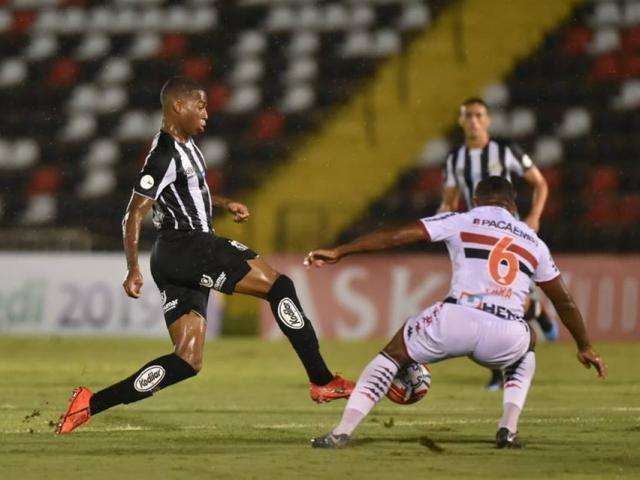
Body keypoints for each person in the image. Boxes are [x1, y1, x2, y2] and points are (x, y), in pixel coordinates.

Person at [56, 77, 353, 434]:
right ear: (178, 107)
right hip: (189, 246)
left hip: (174, 257)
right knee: (280, 286)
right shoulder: (164, 152)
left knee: (187, 359)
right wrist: (131, 268)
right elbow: (134, 212)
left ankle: (88, 405)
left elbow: (191, 193)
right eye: (200, 106)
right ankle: (321, 379)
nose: (207, 114)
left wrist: (225, 204)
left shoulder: (188, 147)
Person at [305, 176, 607, 449]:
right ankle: (508, 429)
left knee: (393, 355)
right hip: (505, 333)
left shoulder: (463, 219)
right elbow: (564, 301)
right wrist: (585, 346)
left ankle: (342, 432)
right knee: (527, 345)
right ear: (513, 204)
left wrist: (341, 251)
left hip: (457, 318)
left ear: (475, 200)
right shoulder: (534, 242)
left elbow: (397, 235)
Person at [439, 97, 558, 391]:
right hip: (475, 238)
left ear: (488, 119)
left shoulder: (506, 151)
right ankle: (535, 321)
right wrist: (442, 218)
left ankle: (529, 328)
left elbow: (540, 183)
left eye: (479, 115)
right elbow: (449, 199)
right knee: (483, 298)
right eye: (467, 116)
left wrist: (534, 216)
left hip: (509, 236)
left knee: (505, 298)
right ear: (460, 120)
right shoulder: (455, 159)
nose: (473, 121)